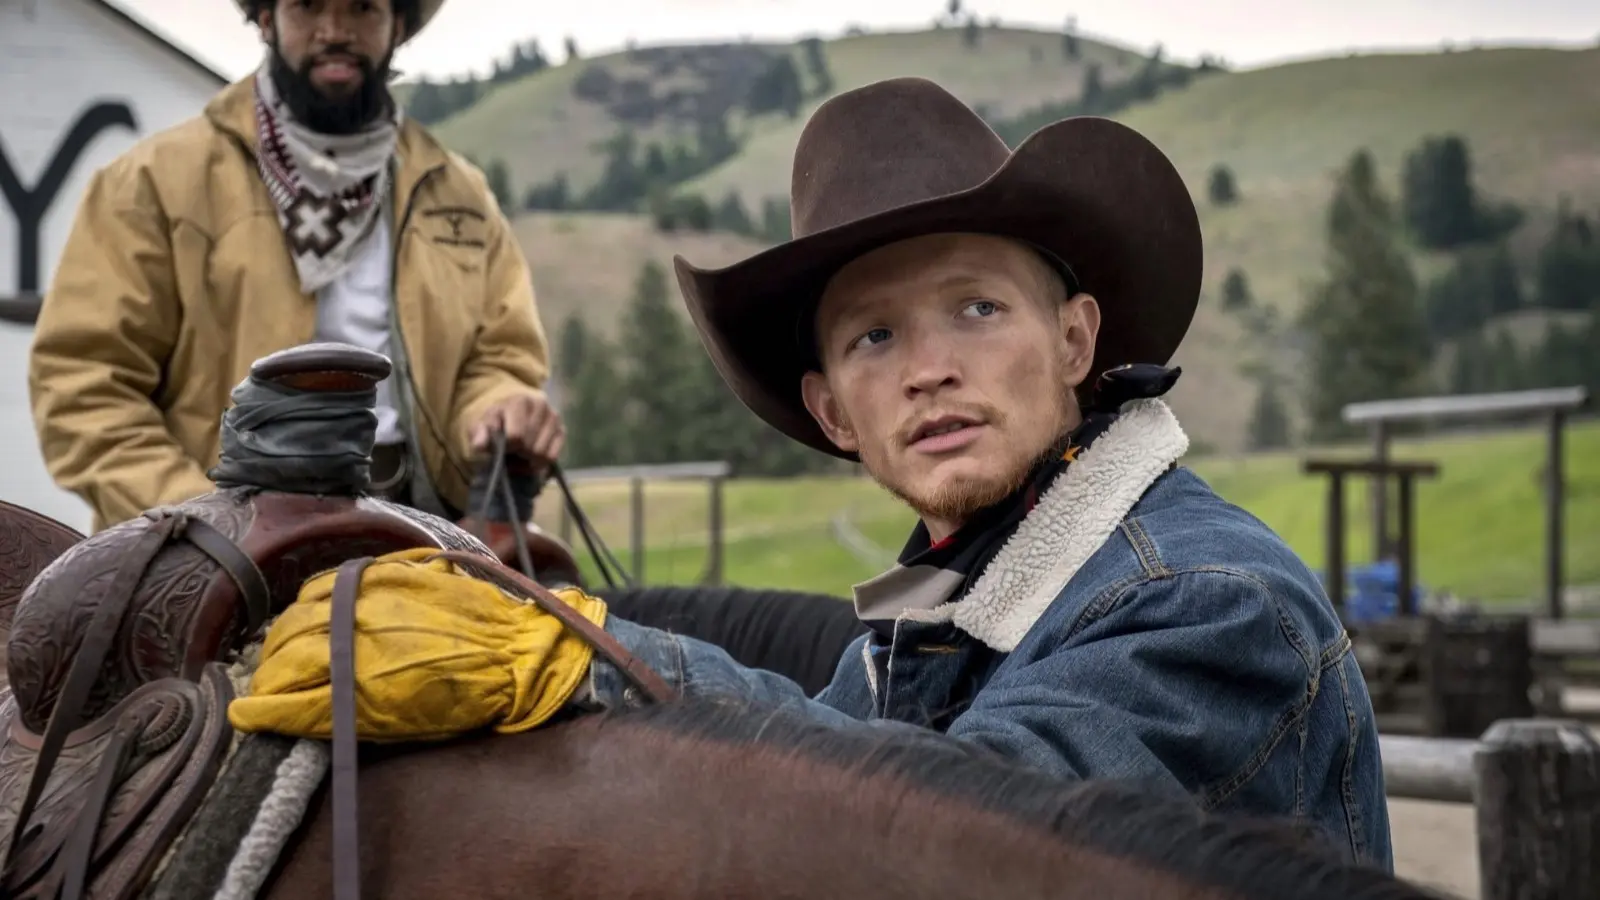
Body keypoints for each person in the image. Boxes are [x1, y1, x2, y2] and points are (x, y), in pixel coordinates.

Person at [234, 77, 1394, 869]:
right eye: (874, 338)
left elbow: (934, 833)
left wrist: (590, 657)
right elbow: (835, 745)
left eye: (976, 310)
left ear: (1077, 343)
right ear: (834, 412)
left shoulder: (1203, 602)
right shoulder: (932, 602)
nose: (929, 370)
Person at [28, 0, 561, 534]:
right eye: (307, 6)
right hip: (211, 541)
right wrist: (203, 520)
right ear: (266, 18)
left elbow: (499, 357)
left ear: (396, 24)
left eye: (361, 9)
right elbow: (84, 386)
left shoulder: (457, 193)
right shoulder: (153, 183)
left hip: (429, 527)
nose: (334, 31)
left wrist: (499, 408)